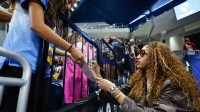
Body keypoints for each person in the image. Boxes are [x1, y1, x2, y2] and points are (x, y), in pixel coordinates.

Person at [0, 0, 85, 112]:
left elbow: (47, 44)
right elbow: (36, 25)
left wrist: (68, 54)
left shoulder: (50, 10)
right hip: (19, 65)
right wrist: (71, 48)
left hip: (40, 70)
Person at [91, 41, 200, 112]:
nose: (137, 57)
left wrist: (113, 89)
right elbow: (115, 96)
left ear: (155, 57)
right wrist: (98, 76)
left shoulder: (173, 83)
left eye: (143, 53)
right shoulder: (140, 80)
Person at [63, 33, 88, 104]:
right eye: (84, 38)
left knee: (70, 100)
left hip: (68, 76)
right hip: (79, 76)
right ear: (80, 36)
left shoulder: (67, 46)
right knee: (81, 100)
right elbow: (84, 60)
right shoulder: (80, 45)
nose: (85, 41)